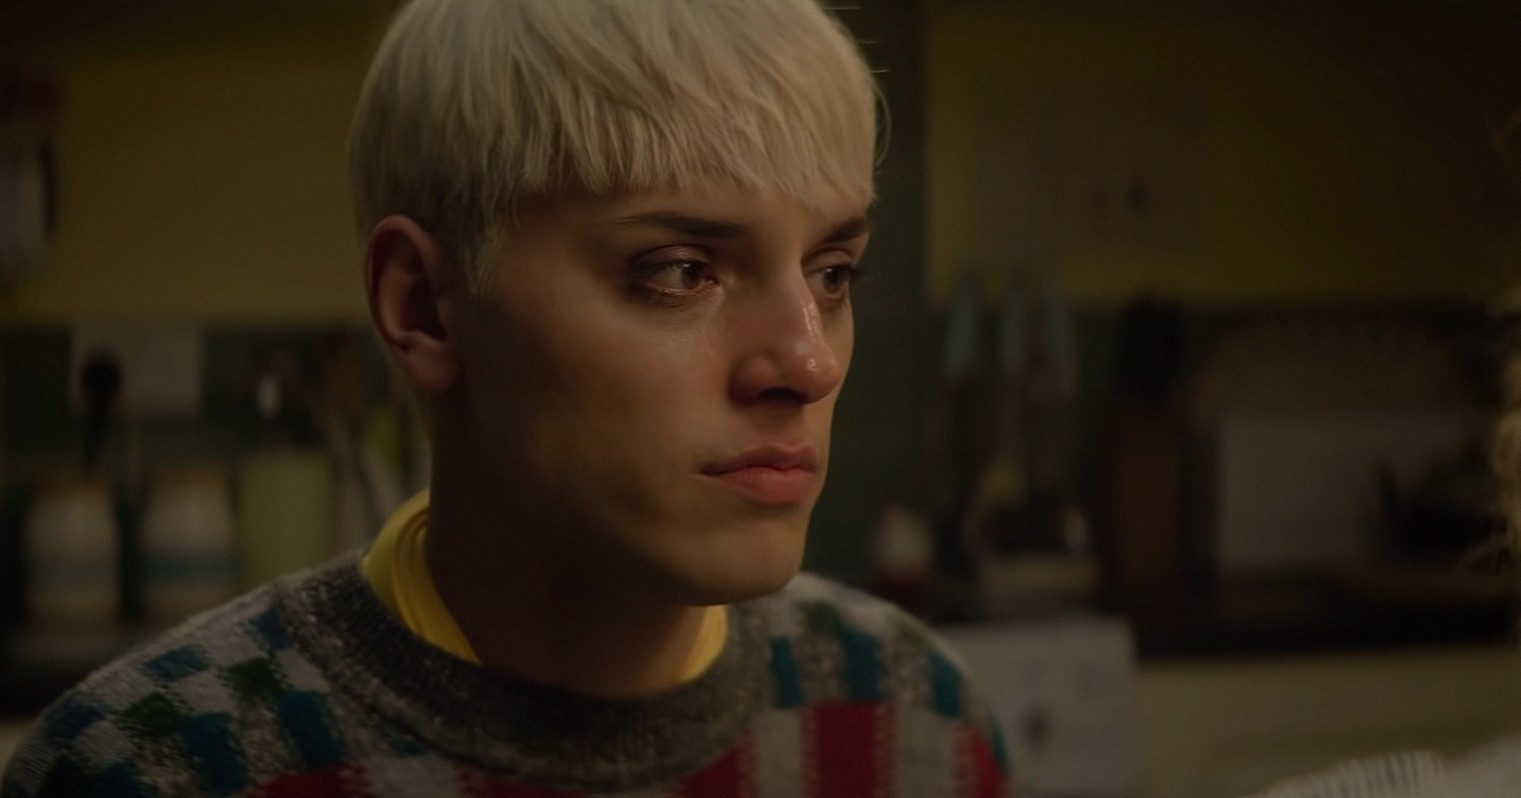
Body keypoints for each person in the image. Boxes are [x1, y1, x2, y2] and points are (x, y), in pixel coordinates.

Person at [0, 0, 1012, 795]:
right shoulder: (161, 768)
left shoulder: (908, 721)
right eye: (679, 272)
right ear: (425, 308)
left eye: (832, 274)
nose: (808, 362)